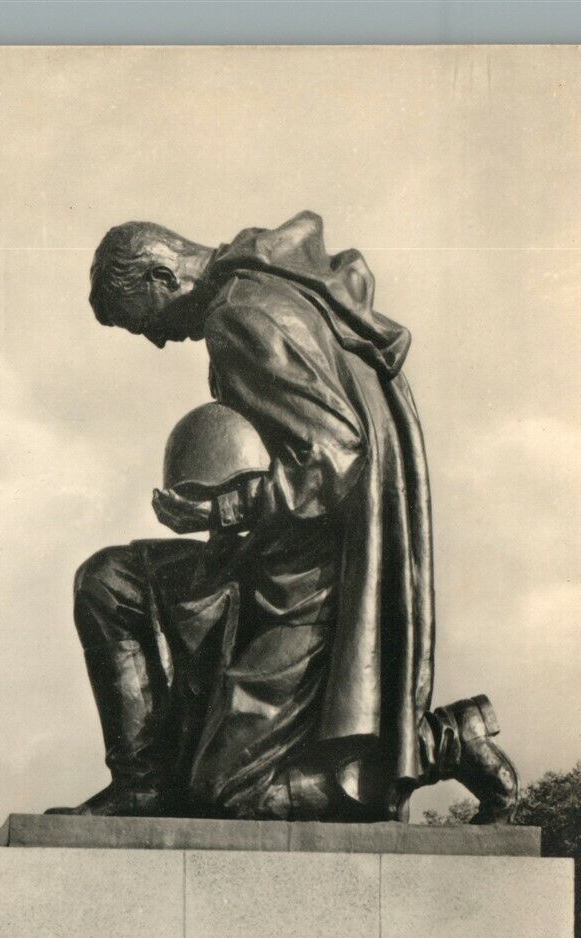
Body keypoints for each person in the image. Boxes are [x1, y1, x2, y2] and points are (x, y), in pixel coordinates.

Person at [50, 211, 517, 823]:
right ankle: (143, 785)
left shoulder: (241, 314)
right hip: (277, 555)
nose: (160, 340)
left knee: (226, 793)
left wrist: (221, 505)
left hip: (313, 590)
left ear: (163, 277)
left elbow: (335, 459)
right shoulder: (265, 287)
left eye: (148, 325)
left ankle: (445, 741)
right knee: (112, 582)